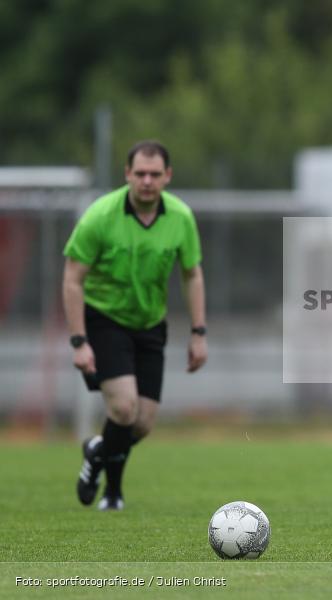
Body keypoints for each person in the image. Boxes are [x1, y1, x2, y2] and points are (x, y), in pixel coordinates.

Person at [63, 140, 207, 511]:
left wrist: (198, 333)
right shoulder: (100, 216)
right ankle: (113, 494)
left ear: (167, 176)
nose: (146, 181)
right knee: (124, 409)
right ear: (127, 174)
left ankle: (97, 450)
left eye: (154, 174)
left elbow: (192, 274)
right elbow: (73, 279)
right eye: (139, 173)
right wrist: (79, 341)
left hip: (150, 323)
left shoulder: (181, 217)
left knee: (141, 424)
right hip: (104, 318)